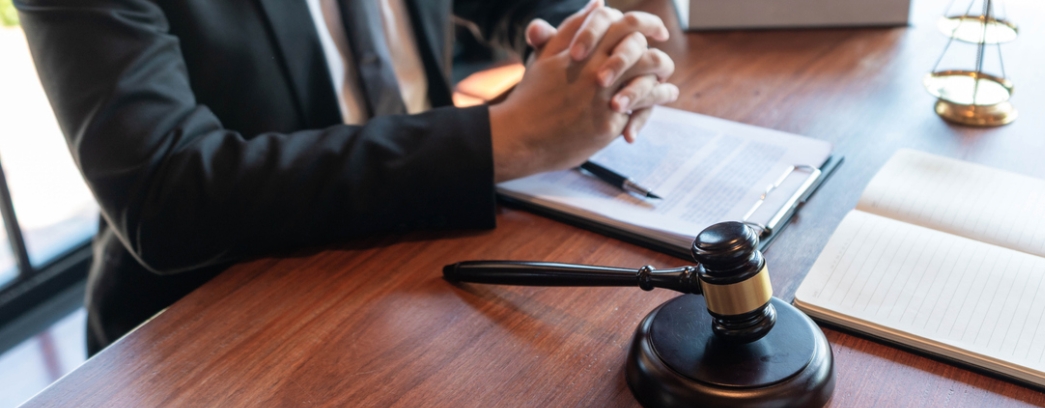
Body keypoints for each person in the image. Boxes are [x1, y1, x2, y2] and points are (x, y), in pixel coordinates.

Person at [15, 0, 678, 354]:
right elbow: (167, 190)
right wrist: (499, 139)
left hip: (427, 255)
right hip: (219, 321)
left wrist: (597, 49)